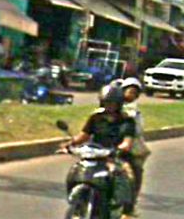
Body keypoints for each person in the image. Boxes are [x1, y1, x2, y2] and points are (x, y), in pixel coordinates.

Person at [61, 84, 136, 219]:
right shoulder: (96, 117)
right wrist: (70, 144)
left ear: (119, 104)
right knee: (75, 170)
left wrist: (121, 148)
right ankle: (77, 203)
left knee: (124, 175)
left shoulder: (127, 121)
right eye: (107, 102)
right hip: (95, 155)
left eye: (113, 103)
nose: (109, 106)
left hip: (115, 157)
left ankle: (125, 211)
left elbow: (127, 141)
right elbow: (84, 136)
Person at [121, 77, 151, 214]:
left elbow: (138, 130)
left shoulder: (135, 113)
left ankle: (129, 207)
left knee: (135, 172)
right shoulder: (108, 107)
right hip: (107, 145)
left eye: (134, 92)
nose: (130, 95)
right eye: (129, 91)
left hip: (128, 147)